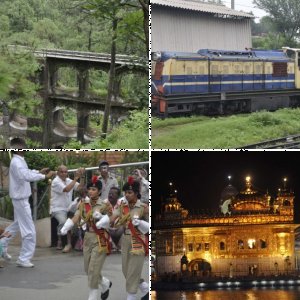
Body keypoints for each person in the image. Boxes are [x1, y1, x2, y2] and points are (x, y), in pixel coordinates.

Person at [0, 138, 56, 268]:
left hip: (20, 199)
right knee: (29, 231)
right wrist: (44, 177)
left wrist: (38, 172)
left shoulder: (19, 161)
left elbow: (26, 173)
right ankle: (24, 258)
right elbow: (25, 176)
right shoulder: (16, 162)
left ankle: (2, 242)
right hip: (21, 199)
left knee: (17, 225)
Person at [60, 176, 113, 300]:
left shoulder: (105, 204)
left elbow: (112, 220)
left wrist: (101, 218)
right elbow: (77, 216)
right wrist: (67, 226)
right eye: (89, 189)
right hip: (88, 237)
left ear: (99, 191)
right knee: (87, 268)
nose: (90, 191)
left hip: (100, 237)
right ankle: (104, 282)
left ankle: (93, 294)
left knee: (93, 268)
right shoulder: (84, 203)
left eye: (94, 189)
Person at [112, 177, 149, 300]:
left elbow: (150, 227)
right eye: (125, 193)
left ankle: (131, 295)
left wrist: (141, 224)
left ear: (136, 193)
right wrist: (105, 221)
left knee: (132, 270)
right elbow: (114, 216)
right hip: (126, 239)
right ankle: (144, 288)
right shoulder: (122, 206)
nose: (127, 195)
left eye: (130, 192)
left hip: (138, 239)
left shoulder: (144, 207)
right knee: (126, 269)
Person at [50, 165, 85, 253]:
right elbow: (66, 189)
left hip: (68, 207)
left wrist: (82, 176)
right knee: (64, 222)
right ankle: (63, 241)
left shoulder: (69, 180)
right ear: (58, 173)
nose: (64, 173)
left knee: (82, 216)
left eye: (65, 172)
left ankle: (78, 242)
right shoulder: (55, 181)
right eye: (62, 172)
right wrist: (76, 178)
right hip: (57, 208)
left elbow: (80, 188)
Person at [107, 187, 123, 251]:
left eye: (113, 194)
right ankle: (112, 245)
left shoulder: (122, 205)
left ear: (118, 196)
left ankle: (120, 246)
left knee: (126, 226)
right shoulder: (104, 204)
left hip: (119, 229)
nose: (110, 195)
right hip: (108, 228)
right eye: (109, 194)